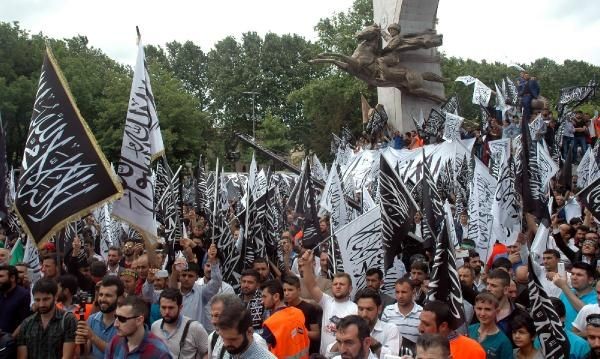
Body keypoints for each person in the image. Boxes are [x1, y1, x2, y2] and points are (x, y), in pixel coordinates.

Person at [300, 249, 357, 355]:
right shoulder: (327, 302)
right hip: (323, 355)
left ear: (350, 289)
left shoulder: (356, 309)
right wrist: (306, 264)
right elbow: (311, 285)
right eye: (335, 284)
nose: (338, 286)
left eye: (342, 284)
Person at [16, 278, 77, 359]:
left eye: (46, 299)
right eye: (37, 300)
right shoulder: (27, 323)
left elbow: (67, 356)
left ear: (55, 297)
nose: (41, 304)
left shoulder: (68, 320)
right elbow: (22, 356)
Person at [169, 243, 221, 330]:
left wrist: (213, 261)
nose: (186, 278)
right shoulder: (173, 293)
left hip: (195, 337)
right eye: (184, 275)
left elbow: (216, 282)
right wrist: (174, 272)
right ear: (179, 276)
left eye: (190, 276)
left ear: (196, 277)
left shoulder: (202, 292)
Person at [104, 295, 171, 358]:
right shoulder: (115, 341)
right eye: (116, 317)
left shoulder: (159, 352)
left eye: (122, 319)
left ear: (139, 320)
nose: (115, 324)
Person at [151, 288, 208, 359]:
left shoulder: (195, 328)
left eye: (171, 308)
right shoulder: (155, 327)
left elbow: (208, 352)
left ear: (180, 307)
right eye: (163, 307)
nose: (167, 312)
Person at [207, 294, 268, 359]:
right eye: (223, 338)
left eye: (233, 339)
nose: (225, 344)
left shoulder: (258, 343)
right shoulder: (216, 339)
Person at [75, 276, 123, 359]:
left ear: (119, 298)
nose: (103, 299)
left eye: (108, 295)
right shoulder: (92, 319)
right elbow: (85, 354)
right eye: (101, 294)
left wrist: (93, 337)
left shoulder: (125, 322)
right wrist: (80, 344)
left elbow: (118, 354)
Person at [418, 300, 485, 359]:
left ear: (443, 326)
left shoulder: (472, 349)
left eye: (427, 324)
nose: (420, 328)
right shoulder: (420, 344)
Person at [260, 279, 310, 358]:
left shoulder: (270, 324)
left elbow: (262, 354)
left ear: (276, 296)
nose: (262, 301)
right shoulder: (299, 313)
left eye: (264, 297)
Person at [345, 287, 399, 357]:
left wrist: (368, 339)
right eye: (361, 309)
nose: (364, 314)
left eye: (369, 309)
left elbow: (392, 357)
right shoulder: (351, 329)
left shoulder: (390, 329)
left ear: (379, 309)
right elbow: (330, 353)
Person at [281, 275, 322, 354]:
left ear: (299, 290)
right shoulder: (282, 308)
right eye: (284, 290)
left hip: (306, 352)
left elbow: (317, 335)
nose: (286, 293)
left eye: (290, 290)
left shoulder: (309, 308)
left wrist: (299, 331)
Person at [554, 261, 598, 331]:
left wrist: (564, 286)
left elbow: (587, 313)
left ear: (590, 280)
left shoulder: (597, 297)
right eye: (572, 274)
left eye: (579, 275)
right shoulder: (565, 292)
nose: (574, 277)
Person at [467, 292, 512, 358]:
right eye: (479, 308)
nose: (482, 313)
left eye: (487, 309)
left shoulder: (504, 342)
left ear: (497, 311)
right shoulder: (469, 330)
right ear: (474, 309)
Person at [381, 277, 422, 347]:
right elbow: (383, 336)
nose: (400, 296)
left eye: (404, 292)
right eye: (397, 292)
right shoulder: (388, 311)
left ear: (413, 292)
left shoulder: (421, 313)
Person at [0, 265, 31, 335]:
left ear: (12, 278)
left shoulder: (23, 295)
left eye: (1, 276)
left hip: (11, 339)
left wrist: (10, 338)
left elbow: (24, 322)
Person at [238, 269, 265, 333]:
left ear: (258, 285)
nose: (246, 285)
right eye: (244, 281)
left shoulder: (263, 301)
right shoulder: (234, 300)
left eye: (250, 282)